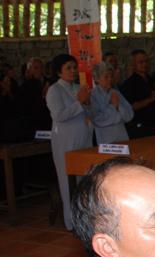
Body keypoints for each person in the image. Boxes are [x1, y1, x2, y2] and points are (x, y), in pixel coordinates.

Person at [45, 53, 93, 230]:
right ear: (59, 72)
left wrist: (87, 104)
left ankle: (85, 219)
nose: (73, 71)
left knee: (84, 178)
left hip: (83, 137)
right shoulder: (54, 90)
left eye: (74, 67)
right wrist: (79, 102)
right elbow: (59, 115)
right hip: (65, 139)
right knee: (68, 181)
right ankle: (71, 222)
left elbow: (89, 112)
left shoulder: (79, 87)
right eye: (68, 68)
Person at [120, 49, 155, 138]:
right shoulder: (129, 84)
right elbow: (131, 107)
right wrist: (151, 99)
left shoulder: (151, 80)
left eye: (146, 61)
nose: (144, 64)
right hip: (142, 127)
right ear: (133, 64)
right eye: (141, 62)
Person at [90, 61, 134, 144]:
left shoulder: (115, 92)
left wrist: (119, 107)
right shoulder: (93, 95)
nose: (110, 79)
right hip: (105, 138)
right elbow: (97, 119)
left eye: (111, 76)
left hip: (122, 135)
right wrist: (113, 107)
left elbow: (130, 115)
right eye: (106, 77)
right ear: (97, 78)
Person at [18, 57, 51, 131]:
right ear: (29, 70)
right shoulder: (24, 86)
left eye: (41, 67)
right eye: (36, 68)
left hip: (48, 121)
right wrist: (43, 95)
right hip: (32, 123)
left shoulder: (49, 82)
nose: (39, 70)